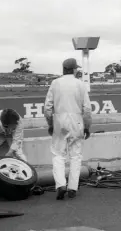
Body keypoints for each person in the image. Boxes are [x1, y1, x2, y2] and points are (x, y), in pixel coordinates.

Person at [44, 58, 92, 200]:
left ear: (64, 69)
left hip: (59, 122)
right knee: (75, 156)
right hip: (76, 122)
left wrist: (50, 124)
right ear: (74, 69)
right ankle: (72, 187)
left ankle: (60, 185)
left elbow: (47, 108)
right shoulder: (80, 84)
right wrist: (87, 126)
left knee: (58, 155)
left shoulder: (55, 83)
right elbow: (87, 109)